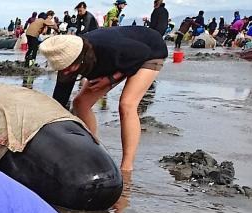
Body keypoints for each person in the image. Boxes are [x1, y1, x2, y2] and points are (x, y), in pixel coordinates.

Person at [41, 26, 167, 172]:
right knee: (80, 103)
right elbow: (59, 103)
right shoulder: (67, 62)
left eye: (68, 67)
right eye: (61, 69)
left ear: (79, 58)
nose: (65, 72)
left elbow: (142, 52)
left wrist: (110, 79)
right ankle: (94, 149)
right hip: (117, 60)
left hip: (149, 51)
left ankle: (127, 167)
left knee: (127, 104)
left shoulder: (109, 47)